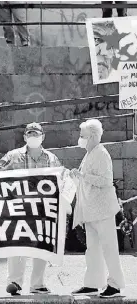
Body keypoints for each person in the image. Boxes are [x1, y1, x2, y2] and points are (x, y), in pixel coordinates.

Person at [0, 122, 66, 295]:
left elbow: (60, 179)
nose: (33, 137)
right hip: (18, 209)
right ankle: (15, 282)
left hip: (42, 210)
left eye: (37, 134)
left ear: (43, 137)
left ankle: (38, 284)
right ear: (25, 137)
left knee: (42, 244)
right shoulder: (13, 156)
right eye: (30, 134)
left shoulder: (51, 158)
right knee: (17, 244)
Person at [70, 119, 125, 298]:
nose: (80, 139)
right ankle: (92, 284)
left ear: (92, 137)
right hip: (91, 211)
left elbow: (105, 181)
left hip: (102, 210)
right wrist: (77, 176)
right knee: (92, 249)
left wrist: (83, 175)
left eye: (83, 136)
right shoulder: (90, 153)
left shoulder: (101, 153)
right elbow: (87, 180)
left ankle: (115, 285)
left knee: (109, 247)